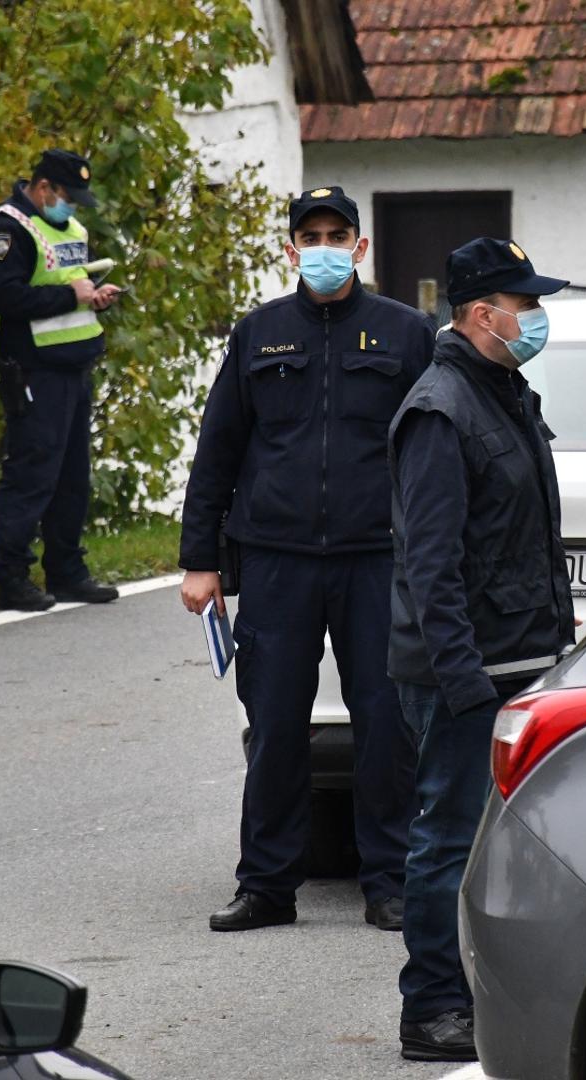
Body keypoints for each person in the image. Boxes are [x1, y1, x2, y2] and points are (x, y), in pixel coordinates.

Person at [178, 186, 434, 935]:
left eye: (336, 235)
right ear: (291, 248)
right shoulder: (259, 334)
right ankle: (266, 886)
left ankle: (390, 882)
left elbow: (433, 445)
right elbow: (218, 449)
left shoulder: (407, 333)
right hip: (277, 561)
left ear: (359, 246)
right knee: (276, 724)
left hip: (376, 559)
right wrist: (200, 560)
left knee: (384, 725)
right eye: (310, 236)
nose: (324, 247)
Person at [387, 237, 575, 1061]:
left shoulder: (503, 393)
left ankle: (497, 996)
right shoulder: (439, 410)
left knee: (512, 844)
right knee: (447, 839)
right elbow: (429, 565)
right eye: (524, 305)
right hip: (462, 675)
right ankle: (431, 1007)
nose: (535, 318)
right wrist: (462, 680)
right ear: (480, 314)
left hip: (520, 660)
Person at [0, 148, 124, 611]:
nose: (72, 206)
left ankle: (66, 572)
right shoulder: (5, 229)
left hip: (74, 366)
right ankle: (12, 577)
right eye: (67, 197)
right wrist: (69, 296)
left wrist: (95, 297)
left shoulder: (72, 229)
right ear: (43, 188)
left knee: (72, 478)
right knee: (31, 474)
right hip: (34, 369)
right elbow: (6, 297)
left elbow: (76, 283)